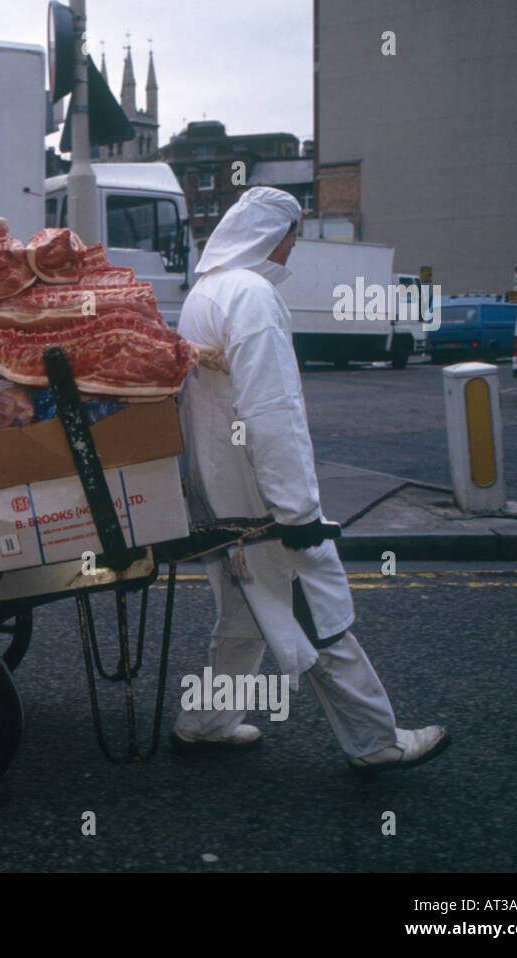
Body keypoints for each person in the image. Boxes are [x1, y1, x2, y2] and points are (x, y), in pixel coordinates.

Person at [172, 187, 449, 772]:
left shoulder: (205, 292)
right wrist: (298, 513)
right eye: (291, 232)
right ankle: (376, 742)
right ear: (267, 235)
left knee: (243, 619)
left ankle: (205, 723)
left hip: (218, 495)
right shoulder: (252, 295)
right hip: (262, 502)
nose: (295, 243)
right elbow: (271, 412)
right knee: (319, 618)